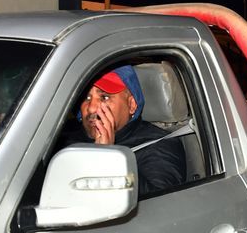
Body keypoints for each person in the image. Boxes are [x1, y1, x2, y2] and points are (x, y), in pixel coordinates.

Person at [66, 65, 186, 196]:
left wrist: (109, 159)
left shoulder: (159, 145)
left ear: (131, 105)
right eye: (87, 98)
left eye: (104, 97)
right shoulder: (63, 140)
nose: (91, 108)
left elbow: (159, 201)